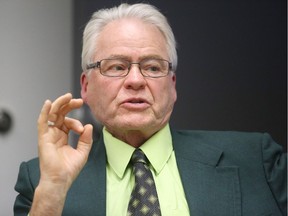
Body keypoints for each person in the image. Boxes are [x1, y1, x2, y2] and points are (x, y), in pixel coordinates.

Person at [14, 3, 286, 216]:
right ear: (86, 87)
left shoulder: (256, 160)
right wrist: (52, 190)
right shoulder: (41, 180)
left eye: (153, 67)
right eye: (117, 66)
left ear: (172, 85)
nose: (135, 80)